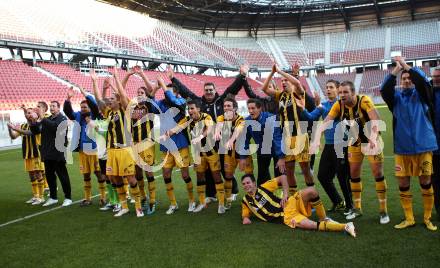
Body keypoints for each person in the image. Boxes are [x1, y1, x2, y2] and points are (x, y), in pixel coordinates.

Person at [311, 80, 389, 224]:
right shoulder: (338, 104)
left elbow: (375, 119)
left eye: (345, 92)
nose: (342, 95)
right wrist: (316, 139)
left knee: (378, 174)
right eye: (340, 92)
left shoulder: (364, 101)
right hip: (354, 141)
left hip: (372, 141)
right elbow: (326, 122)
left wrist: (372, 137)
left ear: (353, 93)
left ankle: (383, 211)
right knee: (353, 174)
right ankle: (357, 208)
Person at [168, 65, 248, 202]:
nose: (209, 92)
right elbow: (185, 91)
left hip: (222, 139)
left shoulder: (221, 100)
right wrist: (173, 78)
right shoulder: (199, 102)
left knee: (224, 167)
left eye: (211, 90)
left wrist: (242, 76)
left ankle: (233, 190)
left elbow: (232, 88)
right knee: (208, 170)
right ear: (203, 92)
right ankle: (211, 194)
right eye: (206, 90)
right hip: (205, 142)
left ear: (215, 91)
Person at [381, 57, 437, 231]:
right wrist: (396, 70)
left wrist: (407, 66)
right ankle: (409, 218)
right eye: (404, 79)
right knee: (403, 183)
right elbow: (384, 89)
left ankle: (427, 218)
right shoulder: (395, 98)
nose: (406, 81)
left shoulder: (423, 96)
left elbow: (423, 82)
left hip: (424, 146)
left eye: (409, 78)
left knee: (426, 181)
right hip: (402, 149)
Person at [240, 173, 356, 237]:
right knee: (312, 225)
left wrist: (285, 194)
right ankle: (346, 226)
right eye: (244, 184)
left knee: (312, 191)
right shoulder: (245, 201)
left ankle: (323, 217)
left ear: (254, 183)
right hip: (287, 217)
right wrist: (245, 218)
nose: (246, 185)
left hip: (290, 203)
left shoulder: (263, 187)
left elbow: (283, 177)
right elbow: (245, 215)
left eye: (248, 182)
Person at [163, 99, 226, 214]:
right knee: (200, 177)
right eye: (188, 109)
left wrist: (200, 136)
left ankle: (221, 203)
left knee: (216, 177)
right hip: (198, 154)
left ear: (198, 109)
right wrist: (166, 135)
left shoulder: (206, 117)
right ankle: (202, 202)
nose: (190, 111)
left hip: (211, 153)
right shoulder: (188, 119)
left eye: (192, 108)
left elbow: (209, 128)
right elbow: (178, 128)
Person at [299, 79, 353, 213]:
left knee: (342, 177)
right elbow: (311, 117)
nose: (328, 90)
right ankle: (338, 201)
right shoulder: (323, 105)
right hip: (329, 146)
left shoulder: (342, 104)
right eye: (327, 87)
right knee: (322, 176)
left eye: (331, 87)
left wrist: (321, 107)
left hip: (342, 145)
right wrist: (302, 108)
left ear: (337, 89)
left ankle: (350, 205)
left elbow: (334, 116)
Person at [261, 64, 315, 195]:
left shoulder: (297, 93)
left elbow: (296, 82)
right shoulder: (280, 95)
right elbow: (264, 88)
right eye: (282, 81)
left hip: (300, 136)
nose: (284, 82)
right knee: (289, 169)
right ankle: (293, 198)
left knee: (305, 169)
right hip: (287, 138)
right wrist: (272, 72)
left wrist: (280, 71)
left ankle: (313, 197)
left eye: (286, 81)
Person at [102, 68, 143, 217]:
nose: (110, 101)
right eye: (110, 99)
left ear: (118, 100)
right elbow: (101, 100)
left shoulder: (125, 110)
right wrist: (103, 87)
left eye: (112, 99)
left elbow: (122, 94)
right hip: (111, 151)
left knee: (131, 179)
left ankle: (138, 207)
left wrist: (119, 77)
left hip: (125, 150)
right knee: (114, 178)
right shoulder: (110, 112)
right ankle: (124, 206)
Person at [154, 76, 196, 215]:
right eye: (165, 91)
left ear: (176, 93)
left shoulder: (181, 101)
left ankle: (191, 201)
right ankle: (173, 204)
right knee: (166, 174)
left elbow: (172, 100)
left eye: (169, 91)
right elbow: (149, 103)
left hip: (180, 144)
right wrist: (155, 87)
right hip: (166, 146)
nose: (166, 93)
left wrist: (165, 89)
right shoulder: (161, 104)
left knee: (185, 175)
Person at [123, 66, 159, 214]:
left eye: (142, 92)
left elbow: (151, 90)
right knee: (137, 174)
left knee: (148, 173)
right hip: (134, 145)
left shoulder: (149, 106)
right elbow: (121, 92)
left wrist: (142, 74)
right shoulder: (131, 107)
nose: (139, 95)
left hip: (147, 144)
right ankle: (143, 198)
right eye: (138, 93)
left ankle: (152, 201)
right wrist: (128, 75)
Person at [63, 87, 105, 207]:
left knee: (98, 173)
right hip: (82, 150)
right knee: (86, 174)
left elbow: (94, 104)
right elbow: (68, 112)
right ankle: (88, 198)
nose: (83, 109)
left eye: (85, 107)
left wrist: (84, 93)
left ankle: (103, 197)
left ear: (90, 108)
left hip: (94, 149)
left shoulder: (95, 115)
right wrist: (68, 99)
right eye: (81, 107)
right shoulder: (78, 116)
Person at [29, 101, 72, 207]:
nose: (52, 108)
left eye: (54, 106)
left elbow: (55, 128)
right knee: (50, 177)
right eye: (51, 106)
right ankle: (53, 197)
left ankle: (68, 197)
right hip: (47, 153)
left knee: (62, 176)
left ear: (58, 108)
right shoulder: (47, 119)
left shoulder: (62, 119)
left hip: (58, 152)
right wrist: (33, 121)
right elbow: (36, 131)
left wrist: (42, 117)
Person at [214, 97, 253, 209]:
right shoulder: (222, 117)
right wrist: (217, 132)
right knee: (228, 176)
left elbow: (237, 131)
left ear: (235, 108)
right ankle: (229, 200)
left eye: (229, 106)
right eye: (225, 106)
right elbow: (219, 125)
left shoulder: (241, 120)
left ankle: (252, 198)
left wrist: (231, 140)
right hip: (229, 152)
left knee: (249, 175)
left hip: (243, 152)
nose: (226, 108)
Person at [239, 98, 285, 185]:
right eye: (249, 108)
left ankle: (281, 195)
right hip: (262, 150)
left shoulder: (271, 118)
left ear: (260, 108)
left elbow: (277, 138)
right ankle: (266, 195)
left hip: (276, 149)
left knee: (280, 173)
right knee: (262, 178)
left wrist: (281, 157)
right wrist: (242, 157)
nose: (250, 111)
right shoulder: (247, 121)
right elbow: (244, 140)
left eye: (253, 108)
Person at [8, 108, 45, 205]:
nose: (27, 114)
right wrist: (9, 128)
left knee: (38, 174)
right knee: (32, 176)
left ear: (35, 114)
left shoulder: (38, 124)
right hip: (27, 155)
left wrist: (16, 128)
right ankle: (35, 196)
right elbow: (13, 136)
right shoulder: (23, 126)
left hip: (36, 154)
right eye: (26, 113)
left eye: (30, 113)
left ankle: (41, 197)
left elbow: (31, 133)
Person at [431, 66, 440, 219]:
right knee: (436, 182)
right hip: (433, 146)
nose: (436, 78)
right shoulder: (428, 93)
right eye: (435, 76)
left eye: (439, 76)